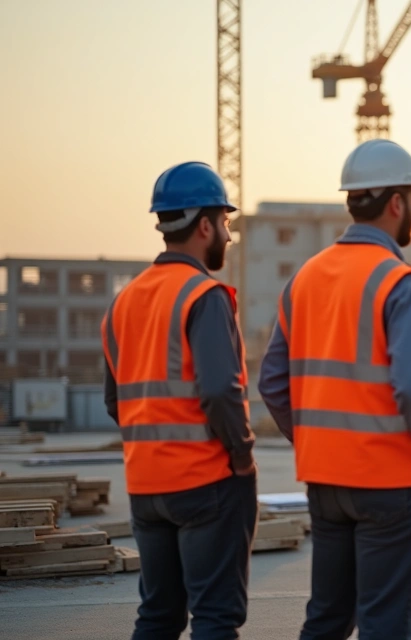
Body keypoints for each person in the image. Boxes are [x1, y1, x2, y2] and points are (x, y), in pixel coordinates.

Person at [258, 139, 411, 640]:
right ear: (395, 203)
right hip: (392, 480)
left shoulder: (305, 277)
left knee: (327, 618)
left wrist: (315, 441)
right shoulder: (401, 282)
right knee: (386, 623)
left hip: (326, 478)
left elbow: (272, 382)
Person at [102, 161, 258, 639]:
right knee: (214, 618)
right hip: (205, 482)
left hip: (147, 486)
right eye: (227, 224)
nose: (229, 238)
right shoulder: (203, 295)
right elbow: (218, 391)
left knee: (158, 616)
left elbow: (115, 400)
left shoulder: (124, 301)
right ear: (204, 224)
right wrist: (241, 454)